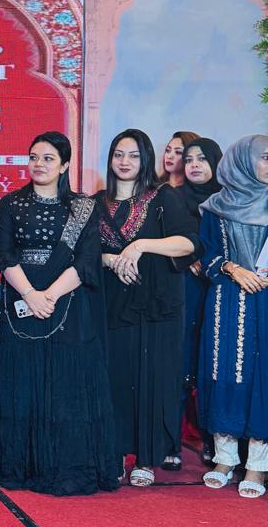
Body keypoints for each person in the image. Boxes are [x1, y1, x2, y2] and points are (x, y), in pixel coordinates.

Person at [0, 132, 118, 495]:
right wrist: (30, 295)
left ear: (65, 165)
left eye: (48, 158)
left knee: (66, 387)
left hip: (67, 305)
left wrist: (48, 297)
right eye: (34, 157)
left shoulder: (84, 208)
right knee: (21, 382)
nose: (39, 164)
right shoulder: (10, 204)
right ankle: (20, 466)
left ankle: (64, 466)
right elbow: (4, 256)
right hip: (21, 304)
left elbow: (86, 262)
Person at [97, 128, 199, 488]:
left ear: (146, 160)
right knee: (113, 379)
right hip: (112, 305)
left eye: (134, 155)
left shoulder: (163, 197)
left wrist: (140, 246)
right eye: (119, 154)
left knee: (153, 380)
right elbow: (84, 252)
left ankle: (146, 458)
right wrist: (111, 259)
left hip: (158, 306)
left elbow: (189, 243)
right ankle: (112, 454)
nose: (125, 162)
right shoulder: (96, 203)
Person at [197, 134, 268, 499]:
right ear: (243, 161)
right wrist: (232, 268)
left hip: (266, 299)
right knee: (224, 370)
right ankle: (224, 459)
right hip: (228, 299)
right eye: (265, 157)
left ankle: (258, 464)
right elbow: (205, 254)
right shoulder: (216, 206)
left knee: (263, 377)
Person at [168, 137, 223, 470]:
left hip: (220, 290)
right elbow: (160, 240)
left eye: (202, 159)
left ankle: (214, 442)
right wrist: (186, 256)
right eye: (189, 159)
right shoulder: (172, 198)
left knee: (213, 366)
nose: (194, 165)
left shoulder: (229, 200)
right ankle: (170, 443)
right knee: (178, 363)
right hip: (184, 290)